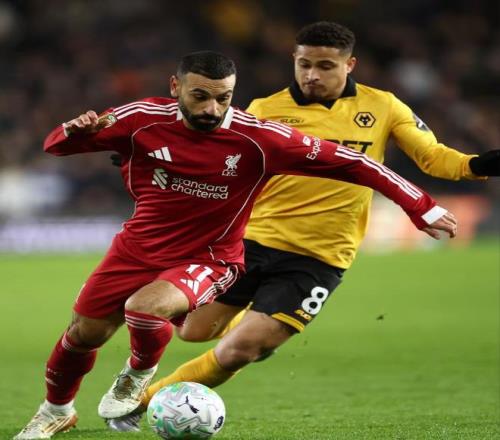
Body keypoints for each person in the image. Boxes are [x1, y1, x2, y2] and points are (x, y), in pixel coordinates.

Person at [13, 49, 457, 440]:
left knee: (144, 309)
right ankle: (55, 412)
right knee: (82, 335)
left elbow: (354, 162)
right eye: (200, 96)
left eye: (223, 97)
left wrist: (421, 206)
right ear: (176, 87)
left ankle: (137, 374)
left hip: (210, 257)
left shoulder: (259, 139)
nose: (212, 108)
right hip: (136, 248)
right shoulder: (141, 118)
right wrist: (73, 131)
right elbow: (55, 146)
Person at [105, 22, 499, 433]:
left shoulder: (383, 106)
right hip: (249, 241)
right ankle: (256, 320)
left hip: (320, 257)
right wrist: (149, 154)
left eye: (325, 66)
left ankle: (140, 403)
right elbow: (213, 155)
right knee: (193, 332)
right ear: (294, 60)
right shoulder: (264, 109)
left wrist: (480, 164)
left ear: (350, 65)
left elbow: (434, 157)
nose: (312, 75)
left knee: (240, 349)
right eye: (304, 64)